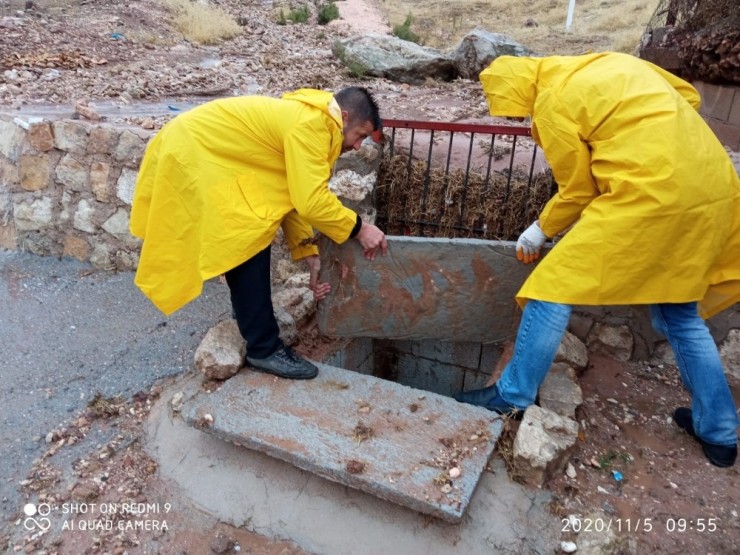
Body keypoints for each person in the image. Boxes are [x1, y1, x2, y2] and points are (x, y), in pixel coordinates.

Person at [454, 53, 740, 468]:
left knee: (552, 283)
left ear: (518, 91)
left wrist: (540, 228)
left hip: (653, 194)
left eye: (515, 110)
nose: (520, 118)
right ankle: (720, 431)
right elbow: (688, 97)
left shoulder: (551, 101)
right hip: (715, 187)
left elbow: (578, 189)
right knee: (678, 313)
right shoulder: (605, 63)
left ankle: (511, 395)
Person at [130, 87, 389, 380]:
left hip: (203, 152)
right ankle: (263, 348)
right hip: (193, 152)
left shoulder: (315, 123)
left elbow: (291, 197)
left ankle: (250, 323)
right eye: (359, 135)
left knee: (245, 234)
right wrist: (360, 229)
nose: (357, 147)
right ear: (343, 117)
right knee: (248, 235)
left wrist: (309, 254)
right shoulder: (313, 126)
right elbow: (311, 201)